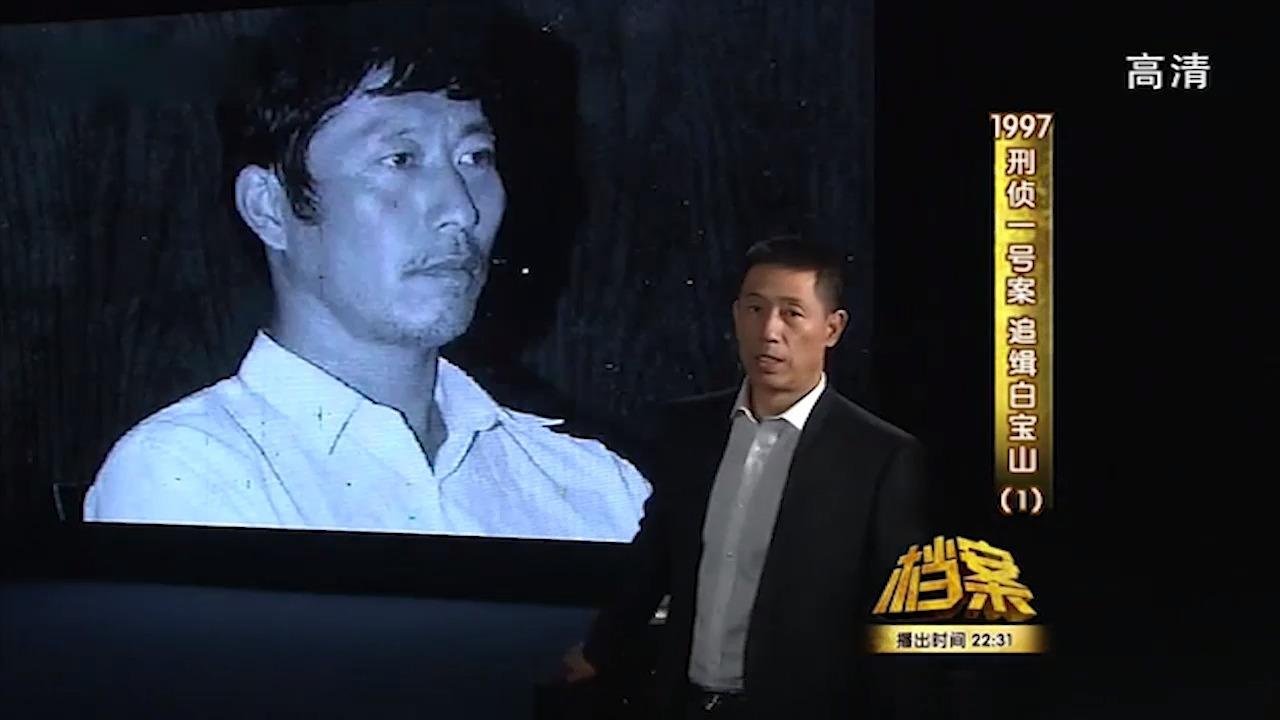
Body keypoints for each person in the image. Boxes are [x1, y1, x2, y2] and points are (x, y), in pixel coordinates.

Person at [82, 5, 650, 542]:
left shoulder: (597, 487)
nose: (461, 209)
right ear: (269, 207)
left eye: (475, 157)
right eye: (399, 159)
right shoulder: (186, 474)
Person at [562, 237, 939, 718]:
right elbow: (654, 558)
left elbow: (896, 617)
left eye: (792, 313)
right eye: (755, 309)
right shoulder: (690, 430)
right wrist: (600, 649)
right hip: (683, 701)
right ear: (736, 315)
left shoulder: (879, 456)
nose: (769, 330)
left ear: (832, 328)